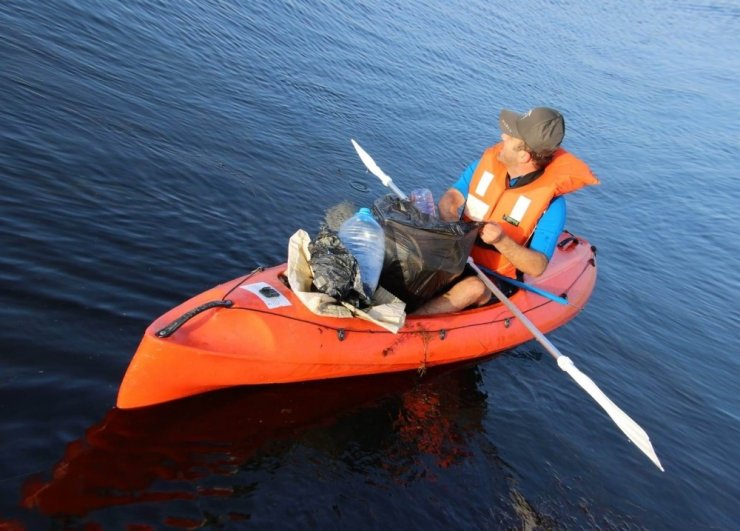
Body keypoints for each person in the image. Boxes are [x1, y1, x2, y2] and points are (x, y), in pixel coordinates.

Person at [413, 107, 599, 315]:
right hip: (460, 259)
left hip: (496, 279)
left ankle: (408, 324)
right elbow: (452, 197)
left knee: (473, 288)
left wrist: (501, 240)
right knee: (414, 253)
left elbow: (537, 266)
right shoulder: (484, 166)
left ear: (523, 156)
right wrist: (449, 225)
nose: (503, 136)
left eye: (510, 137)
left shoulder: (553, 206)